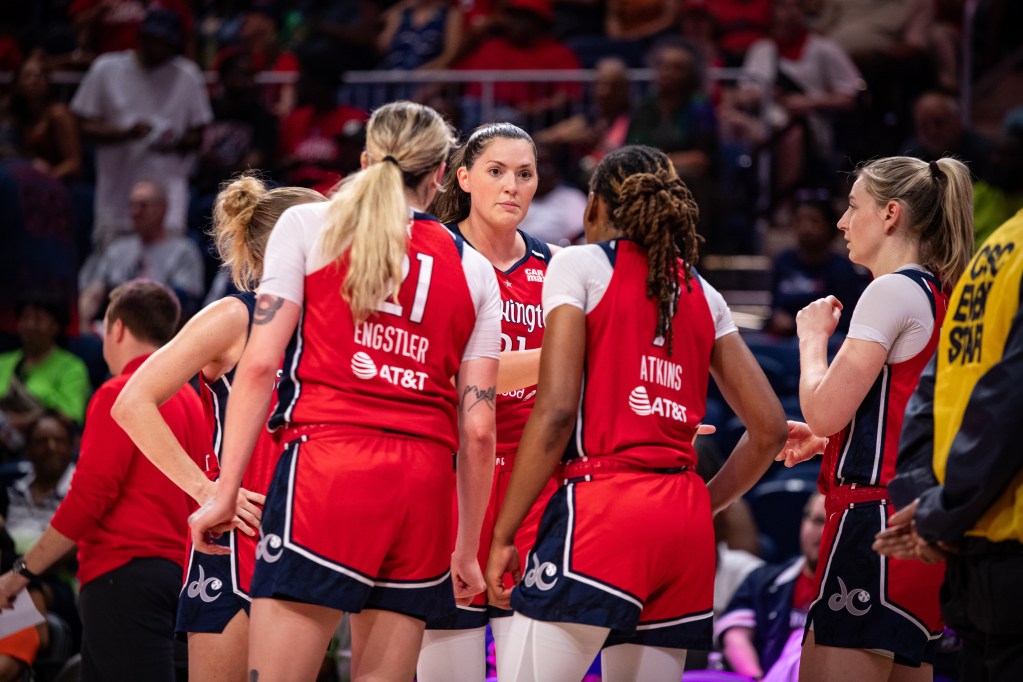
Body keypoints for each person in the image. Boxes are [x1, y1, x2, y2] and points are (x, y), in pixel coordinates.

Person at [188, 101, 502, 681]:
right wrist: (466, 549)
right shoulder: (477, 268)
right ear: (438, 175)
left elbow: (259, 368)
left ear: (363, 160)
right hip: (424, 489)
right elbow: (480, 429)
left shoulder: (309, 224)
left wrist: (224, 491)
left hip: (328, 470)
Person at [486, 145, 787, 681]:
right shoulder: (704, 291)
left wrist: (504, 534)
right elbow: (768, 429)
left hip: (604, 508)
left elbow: (555, 412)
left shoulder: (577, 264)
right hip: (684, 525)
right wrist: (706, 504)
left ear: (594, 207)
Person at [112, 177, 325, 682]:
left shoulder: (334, 325)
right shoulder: (235, 316)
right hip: (237, 537)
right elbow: (133, 402)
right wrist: (207, 490)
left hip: (312, 532)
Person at [779, 156, 974, 681]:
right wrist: (830, 445)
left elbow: (822, 408)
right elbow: (908, 413)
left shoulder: (890, 290)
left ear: (891, 214)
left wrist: (811, 336)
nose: (842, 221)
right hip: (914, 526)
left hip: (872, 526)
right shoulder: (940, 294)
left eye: (852, 206)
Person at [0, 280, 210, 682]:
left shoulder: (119, 393)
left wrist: (20, 573)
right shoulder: (192, 402)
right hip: (177, 579)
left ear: (116, 330)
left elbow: (89, 497)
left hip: (123, 576)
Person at [418, 122, 555, 681]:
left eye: (525, 174)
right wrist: (571, 356)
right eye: (496, 172)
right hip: (452, 483)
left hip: (535, 489)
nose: (511, 187)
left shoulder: (559, 267)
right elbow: (449, 377)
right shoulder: (436, 257)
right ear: (463, 177)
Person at [874, 207, 1023, 682]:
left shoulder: (993, 252)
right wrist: (940, 511)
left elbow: (930, 394)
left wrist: (927, 503)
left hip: (964, 544)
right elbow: (1005, 407)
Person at [70, 7, 212, 249]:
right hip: (116, 198)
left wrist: (171, 138)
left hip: (167, 199)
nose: (157, 47)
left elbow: (199, 134)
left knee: (163, 279)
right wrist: (127, 133)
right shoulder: (107, 68)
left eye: (164, 42)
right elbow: (82, 125)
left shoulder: (187, 75)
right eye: (153, 39)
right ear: (141, 36)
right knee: (113, 278)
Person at [717, 492, 826, 679]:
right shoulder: (763, 579)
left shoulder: (862, 596)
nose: (824, 532)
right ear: (802, 523)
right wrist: (757, 677)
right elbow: (735, 635)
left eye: (834, 525)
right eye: (817, 521)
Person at [78, 179, 206, 330]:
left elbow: (188, 301)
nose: (136, 212)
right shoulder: (118, 249)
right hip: (117, 327)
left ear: (163, 208)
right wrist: (85, 324)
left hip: (162, 330)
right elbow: (94, 290)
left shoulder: (184, 251)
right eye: (132, 205)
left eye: (143, 205)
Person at [767, 189, 869, 337]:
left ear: (829, 227)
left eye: (814, 221)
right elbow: (774, 309)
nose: (806, 228)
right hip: (784, 342)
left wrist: (798, 326)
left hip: (826, 341)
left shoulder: (841, 269)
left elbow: (847, 322)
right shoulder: (783, 261)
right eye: (800, 220)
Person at [0, 296, 90, 441]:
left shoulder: (72, 367)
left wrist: (18, 423)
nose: (30, 325)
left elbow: (70, 417)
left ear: (55, 326)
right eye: (25, 317)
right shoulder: (3, 362)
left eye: (38, 319)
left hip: (42, 444)